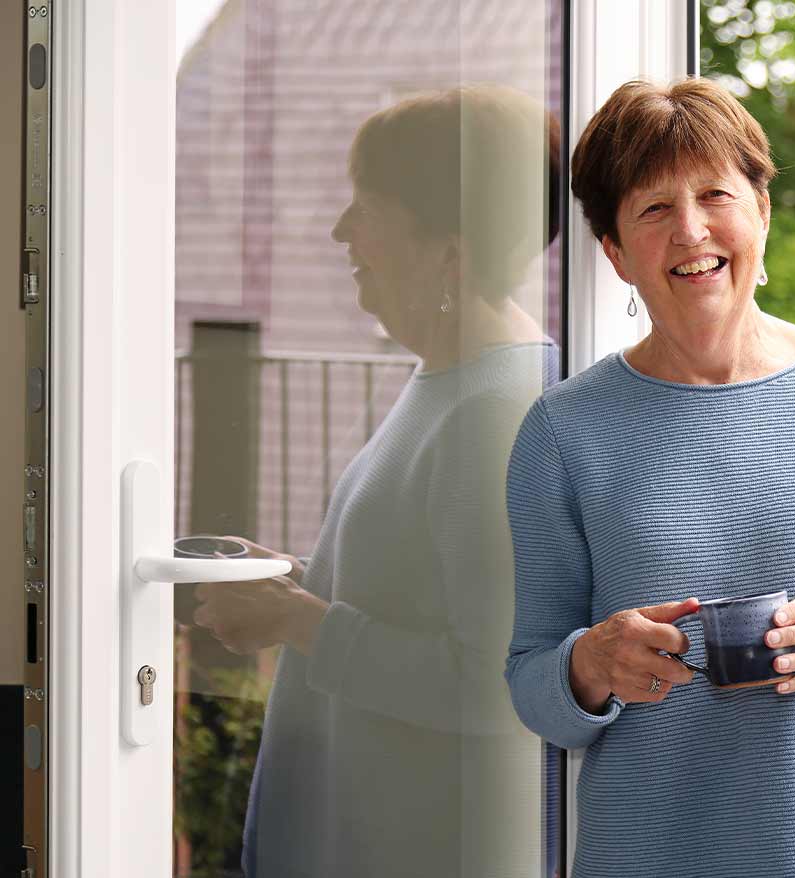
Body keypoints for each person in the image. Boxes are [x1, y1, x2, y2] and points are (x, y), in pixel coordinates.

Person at [504, 78, 795, 878]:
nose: (691, 230)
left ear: (762, 212)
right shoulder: (563, 432)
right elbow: (532, 678)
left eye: (715, 194)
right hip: (657, 852)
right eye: (654, 209)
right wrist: (590, 663)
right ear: (616, 251)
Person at [192, 85, 560, 877]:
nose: (339, 230)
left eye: (367, 206)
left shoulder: (497, 412)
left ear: (447, 251)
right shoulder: (451, 382)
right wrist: (298, 582)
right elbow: (419, 585)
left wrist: (300, 622)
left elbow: (494, 683)